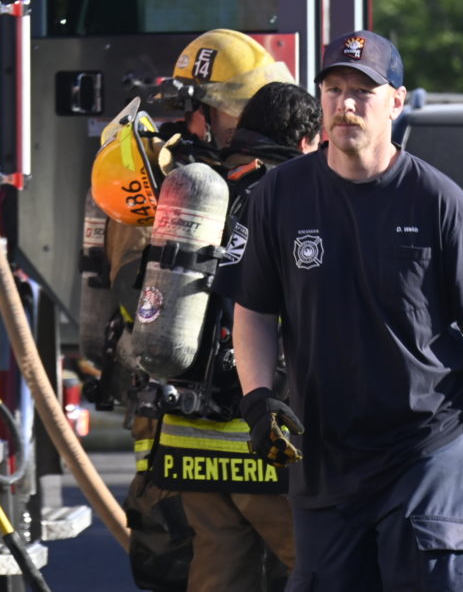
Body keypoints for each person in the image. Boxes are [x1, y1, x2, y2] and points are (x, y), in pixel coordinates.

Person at [214, 29, 463, 590]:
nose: (345, 105)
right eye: (333, 89)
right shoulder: (278, 196)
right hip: (325, 455)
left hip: (426, 452)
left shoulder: (442, 203)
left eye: (362, 91)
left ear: (396, 101)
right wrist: (258, 400)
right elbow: (252, 309)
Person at [87, 29, 302, 591]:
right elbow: (136, 291)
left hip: (192, 432)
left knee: (215, 568)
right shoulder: (172, 184)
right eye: (239, 110)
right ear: (202, 112)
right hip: (208, 417)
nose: (250, 123)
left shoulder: (202, 180)